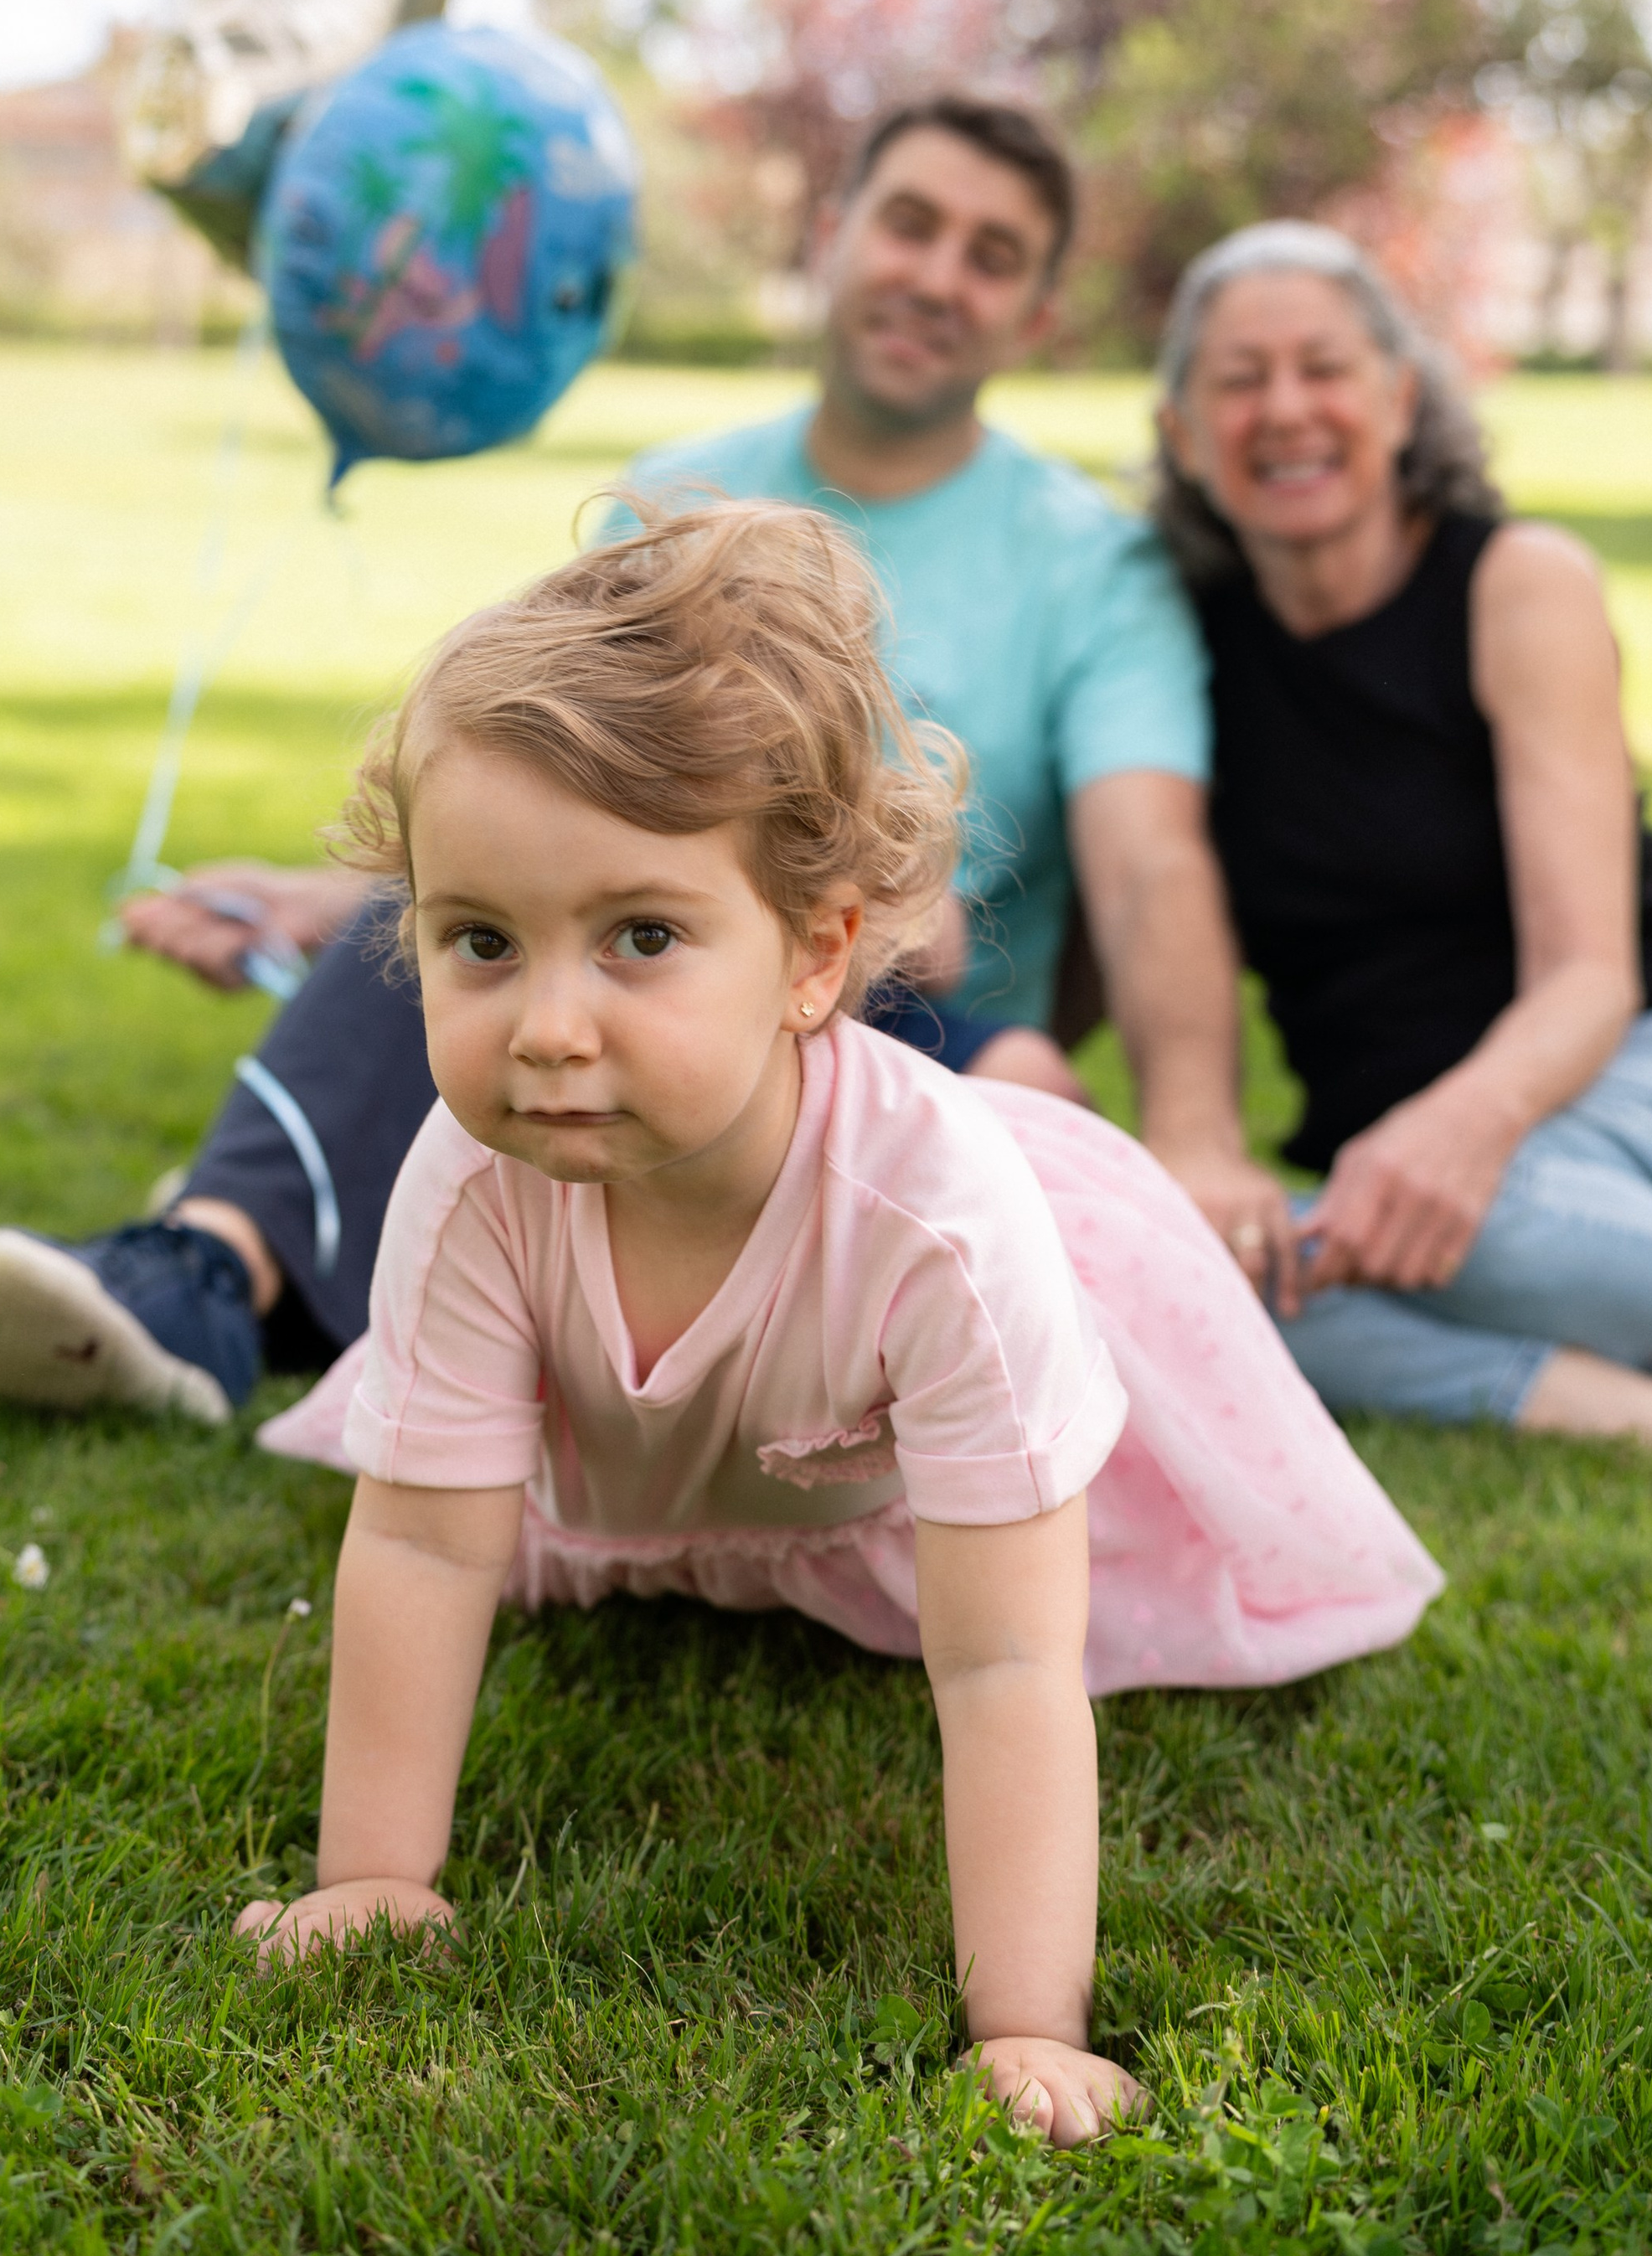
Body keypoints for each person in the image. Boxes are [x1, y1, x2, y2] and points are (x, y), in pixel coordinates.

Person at [233, 498, 1443, 2145]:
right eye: (481, 943)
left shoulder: (932, 1219)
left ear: (813, 956)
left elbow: (1008, 1650)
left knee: (1023, 1588)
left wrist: (1025, 2026)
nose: (547, 1027)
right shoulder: (474, 1175)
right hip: (652, 1474)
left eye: (640, 937)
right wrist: (371, 1875)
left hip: (875, 1487)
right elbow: (433, 1547)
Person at [0, 95, 1285, 1423]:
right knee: (480, 938)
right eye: (910, 223)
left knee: (954, 1063)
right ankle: (202, 1268)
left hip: (907, 1032)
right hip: (635, 955)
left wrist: (1197, 1137)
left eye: (992, 257)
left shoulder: (1091, 563)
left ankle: (295, 1265)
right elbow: (543, 804)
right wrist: (324, 899)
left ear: (1037, 315)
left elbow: (1152, 861)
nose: (936, 274)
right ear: (835, 235)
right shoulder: (676, 488)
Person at [1154, 219, 1652, 1457]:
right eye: (1238, 380)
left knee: (1490, 1214)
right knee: (1217, 1290)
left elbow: (1590, 977)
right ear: (1183, 435)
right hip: (1404, 1171)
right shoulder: (1176, 647)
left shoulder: (1518, 583)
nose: (1285, 409)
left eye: (1325, 367)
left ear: (1400, 399)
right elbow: (1127, 910)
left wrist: (1457, 1129)